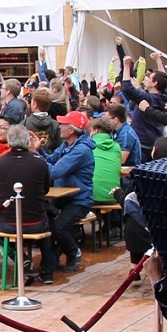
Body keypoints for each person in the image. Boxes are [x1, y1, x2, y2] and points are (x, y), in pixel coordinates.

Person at [0, 125, 55, 284]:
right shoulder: (40, 163)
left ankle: (19, 256)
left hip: (7, 223)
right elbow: (45, 189)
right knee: (49, 220)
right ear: (27, 141)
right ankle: (48, 270)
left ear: (10, 141)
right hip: (36, 222)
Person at [39, 111, 95, 272]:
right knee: (45, 219)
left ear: (71, 130)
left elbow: (55, 171)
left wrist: (37, 157)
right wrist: (39, 150)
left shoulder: (81, 150)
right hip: (63, 197)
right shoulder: (67, 145)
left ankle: (73, 253)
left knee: (59, 227)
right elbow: (50, 160)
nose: (59, 127)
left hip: (79, 199)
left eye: (63, 124)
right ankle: (51, 260)